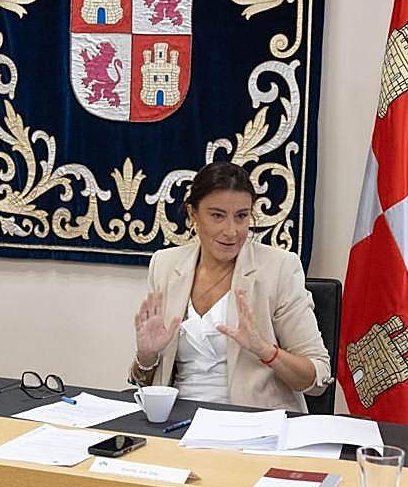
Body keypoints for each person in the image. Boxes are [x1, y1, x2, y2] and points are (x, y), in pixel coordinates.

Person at [129, 161, 330, 411]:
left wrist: (266, 351)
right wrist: (146, 357)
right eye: (217, 216)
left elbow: (317, 378)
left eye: (241, 216)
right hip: (176, 420)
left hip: (252, 424)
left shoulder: (279, 268)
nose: (231, 231)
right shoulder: (165, 264)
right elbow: (144, 382)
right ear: (193, 214)